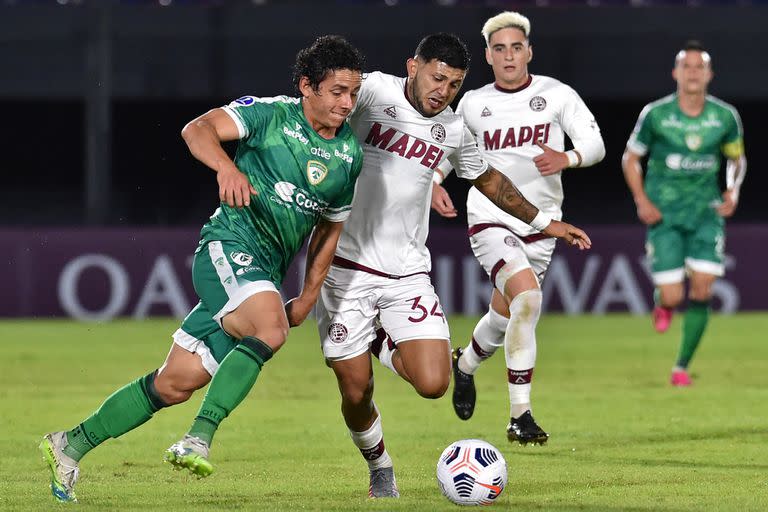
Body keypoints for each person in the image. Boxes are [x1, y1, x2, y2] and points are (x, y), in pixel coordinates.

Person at [38, 35, 365, 503]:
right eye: (337, 91)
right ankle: (198, 438)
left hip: (262, 273)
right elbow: (196, 130)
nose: (347, 103)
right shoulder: (269, 114)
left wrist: (310, 295)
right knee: (271, 330)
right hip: (227, 247)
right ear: (306, 86)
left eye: (353, 93)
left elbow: (329, 231)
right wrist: (224, 169)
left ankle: (69, 445)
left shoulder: (349, 154)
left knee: (174, 384)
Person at [315, 32, 592, 499]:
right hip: (345, 269)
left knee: (433, 383)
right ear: (413, 66)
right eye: (437, 78)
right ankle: (380, 466)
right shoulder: (369, 92)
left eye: (455, 83)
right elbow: (315, 109)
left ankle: (378, 339)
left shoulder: (453, 130)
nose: (443, 91)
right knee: (356, 390)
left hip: (406, 273)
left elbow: (491, 181)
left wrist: (548, 223)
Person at [432, 11, 604, 445]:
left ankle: (466, 364)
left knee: (505, 313)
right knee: (527, 298)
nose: (508, 55)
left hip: (542, 223)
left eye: (516, 47)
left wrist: (569, 158)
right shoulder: (472, 102)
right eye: (499, 48)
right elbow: (451, 150)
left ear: (529, 51)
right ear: (489, 56)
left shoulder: (557, 94)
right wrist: (434, 182)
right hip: (489, 216)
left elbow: (595, 144)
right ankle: (520, 415)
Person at [622, 40, 746, 387]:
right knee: (675, 295)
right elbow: (630, 158)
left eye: (699, 66)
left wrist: (732, 187)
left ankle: (681, 367)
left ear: (709, 74)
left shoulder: (724, 117)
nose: (693, 72)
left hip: (706, 213)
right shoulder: (656, 115)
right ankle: (663, 302)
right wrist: (641, 200)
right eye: (686, 66)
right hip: (665, 214)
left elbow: (736, 158)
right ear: (676, 72)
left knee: (704, 288)